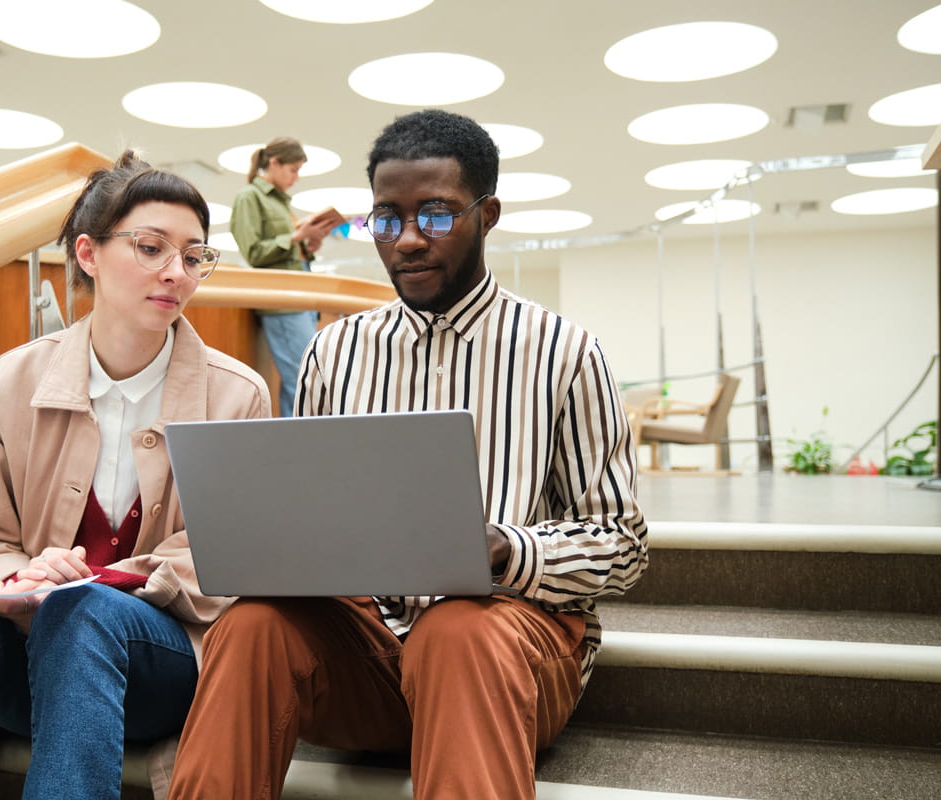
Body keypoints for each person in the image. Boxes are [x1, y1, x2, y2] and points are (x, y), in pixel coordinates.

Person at [166, 110, 648, 800]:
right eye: (386, 220)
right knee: (251, 625)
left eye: (438, 215)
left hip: (504, 657)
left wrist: (505, 549)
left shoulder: (566, 352)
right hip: (369, 657)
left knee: (456, 629)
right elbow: (317, 515)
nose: (408, 241)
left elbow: (622, 547)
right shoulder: (336, 351)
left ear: (488, 215)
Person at [0, 152, 271, 800]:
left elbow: (227, 560)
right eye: (150, 247)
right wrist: (20, 581)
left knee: (83, 612)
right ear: (87, 253)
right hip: (30, 656)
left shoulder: (237, 394)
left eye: (194, 256)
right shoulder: (6, 384)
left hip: (161, 669)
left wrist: (97, 581)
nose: (176, 272)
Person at [230, 136, 335, 416]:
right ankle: (301, 445)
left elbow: (286, 251)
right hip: (282, 302)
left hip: (299, 299)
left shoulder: (280, 203)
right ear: (274, 163)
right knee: (304, 379)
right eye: (293, 169)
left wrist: (308, 245)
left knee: (300, 378)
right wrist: (296, 236)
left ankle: (299, 441)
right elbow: (254, 253)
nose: (296, 177)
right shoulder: (249, 197)